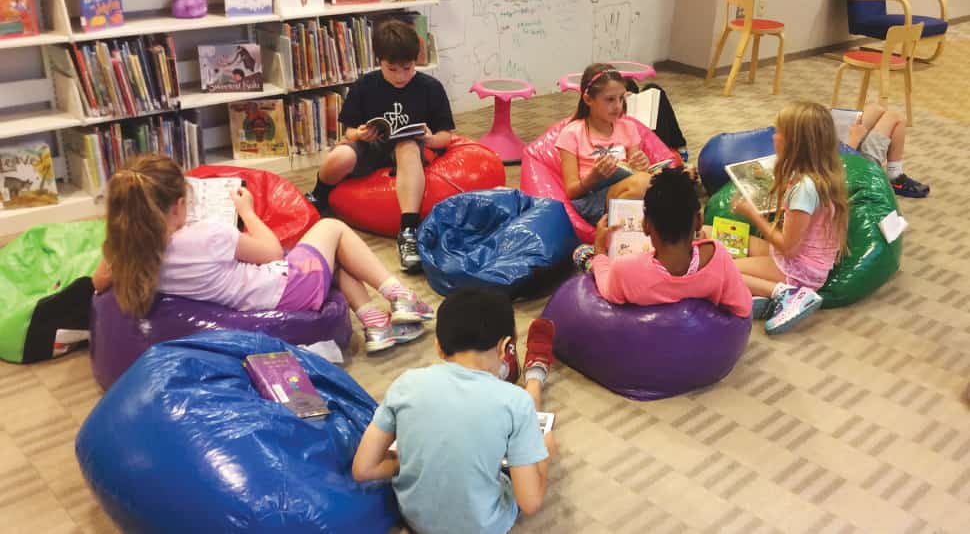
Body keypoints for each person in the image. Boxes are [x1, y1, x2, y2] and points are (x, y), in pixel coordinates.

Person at [91, 154, 433, 353]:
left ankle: (375, 326)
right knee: (334, 230)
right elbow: (270, 253)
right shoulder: (207, 236)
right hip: (284, 291)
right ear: (179, 205)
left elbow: (98, 280)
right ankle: (399, 294)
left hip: (249, 298)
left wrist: (119, 239)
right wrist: (249, 211)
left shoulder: (133, 255)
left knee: (332, 257)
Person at [352, 288, 557, 534]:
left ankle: (509, 374)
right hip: (484, 526)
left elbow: (363, 469)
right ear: (504, 346)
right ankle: (533, 376)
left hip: (416, 520)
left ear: (438, 347)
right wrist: (545, 458)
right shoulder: (516, 403)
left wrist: (409, 461)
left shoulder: (405, 383)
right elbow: (530, 502)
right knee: (525, 415)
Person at [305, 20, 455, 272]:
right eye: (392, 69)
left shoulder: (431, 88)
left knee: (406, 145)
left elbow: (446, 137)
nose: (400, 76)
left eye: (407, 68)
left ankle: (408, 231)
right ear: (379, 61)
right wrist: (360, 133)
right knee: (339, 156)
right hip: (373, 146)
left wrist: (429, 138)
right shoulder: (366, 84)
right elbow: (349, 130)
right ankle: (318, 196)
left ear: (415, 61)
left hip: (409, 150)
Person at [730, 101, 850, 335]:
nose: (774, 137)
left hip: (800, 268)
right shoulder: (820, 175)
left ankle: (787, 294)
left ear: (794, 143)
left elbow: (788, 248)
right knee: (737, 242)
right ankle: (767, 296)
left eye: (778, 132)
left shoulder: (805, 188)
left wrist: (752, 213)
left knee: (724, 270)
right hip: (806, 261)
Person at [584, 167, 752, 318]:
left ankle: (589, 259)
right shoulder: (718, 256)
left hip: (643, 337)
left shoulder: (624, 269)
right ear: (699, 221)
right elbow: (743, 307)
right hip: (698, 340)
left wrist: (599, 250)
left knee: (582, 253)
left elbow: (606, 289)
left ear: (645, 226)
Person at [557, 63, 657, 226]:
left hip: (628, 189)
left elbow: (637, 172)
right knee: (643, 184)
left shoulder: (628, 127)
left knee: (651, 182)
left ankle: (632, 233)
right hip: (592, 199)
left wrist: (641, 165)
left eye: (621, 98)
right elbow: (571, 192)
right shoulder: (572, 133)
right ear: (588, 99)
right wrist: (593, 177)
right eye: (610, 99)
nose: (618, 106)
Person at [845, 103, 929, 198]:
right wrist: (855, 138)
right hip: (848, 166)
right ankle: (895, 176)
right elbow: (845, 159)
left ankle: (894, 175)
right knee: (896, 117)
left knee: (876, 109)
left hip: (840, 151)